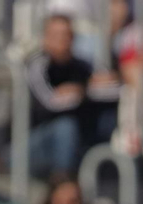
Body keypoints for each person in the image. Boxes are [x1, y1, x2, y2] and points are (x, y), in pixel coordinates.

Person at [26, 14, 91, 178]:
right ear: (45, 38)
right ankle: (62, 185)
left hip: (70, 141)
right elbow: (49, 103)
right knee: (65, 127)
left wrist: (81, 91)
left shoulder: (82, 66)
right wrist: (80, 94)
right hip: (28, 144)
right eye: (55, 35)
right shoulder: (37, 65)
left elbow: (111, 89)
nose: (62, 40)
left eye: (66, 35)